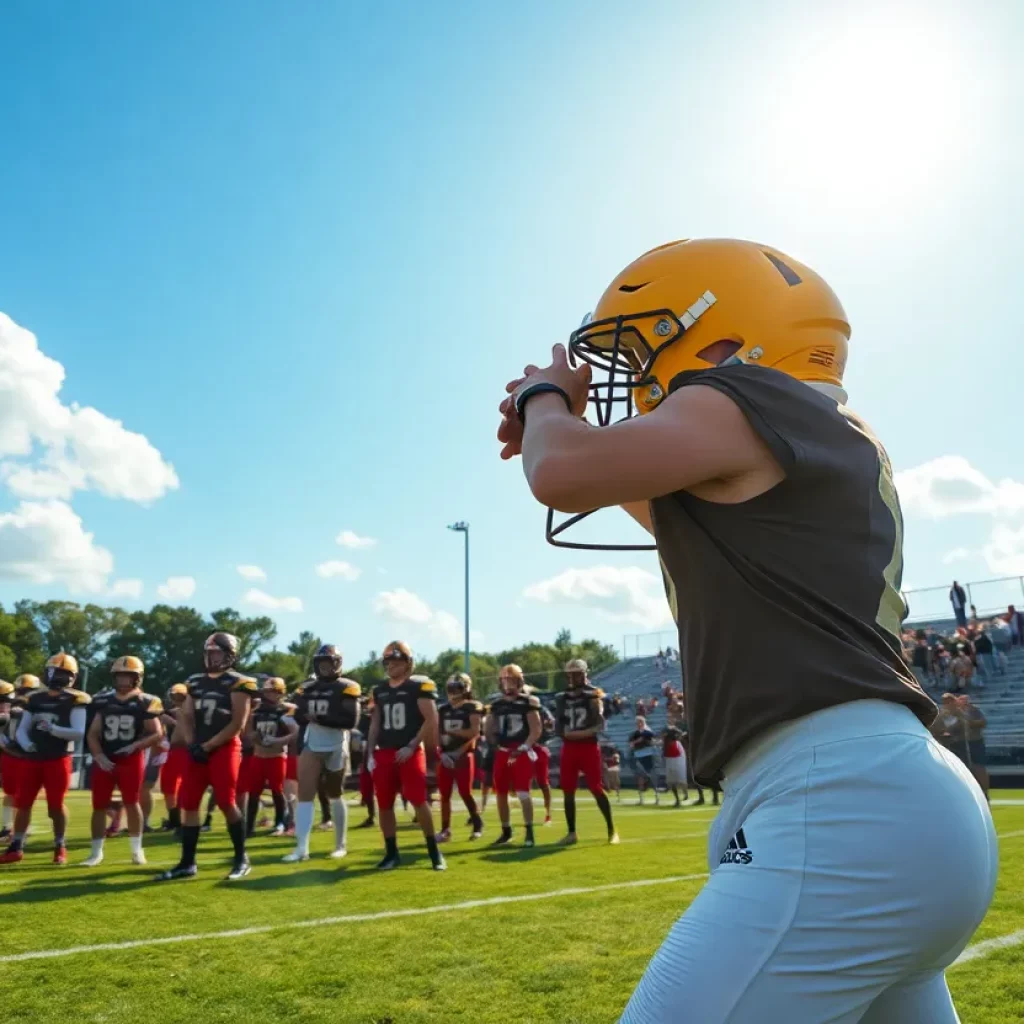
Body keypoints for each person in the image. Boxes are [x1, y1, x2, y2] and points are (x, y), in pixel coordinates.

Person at [497, 237, 995, 1022]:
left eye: (646, 346)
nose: (641, 376)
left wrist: (546, 401)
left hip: (840, 804)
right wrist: (567, 431)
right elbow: (618, 481)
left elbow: (562, 476)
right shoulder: (809, 432)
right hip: (881, 800)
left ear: (723, 337)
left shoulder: (753, 398)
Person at [156, 632, 258, 882]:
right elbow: (187, 716)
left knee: (226, 801)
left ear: (230, 655)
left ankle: (241, 858)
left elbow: (237, 723)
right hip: (198, 749)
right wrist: (192, 743)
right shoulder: (194, 681)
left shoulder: (240, 682)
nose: (212, 657)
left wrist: (209, 745)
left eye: (217, 652)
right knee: (189, 803)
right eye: (209, 652)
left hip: (224, 748)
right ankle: (187, 863)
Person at [1, 654, 90, 865]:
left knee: (55, 806)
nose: (57, 676)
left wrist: (53, 729)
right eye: (54, 672)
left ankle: (60, 844)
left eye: (63, 673)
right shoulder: (35, 698)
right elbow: (23, 728)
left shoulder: (76, 699)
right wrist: (26, 744)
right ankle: (16, 847)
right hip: (33, 758)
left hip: (58, 757)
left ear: (72, 677)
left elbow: (78, 732)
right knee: (23, 803)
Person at [365, 641, 445, 871]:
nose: (390, 666)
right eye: (388, 662)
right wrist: (370, 752)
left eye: (396, 662)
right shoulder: (379, 690)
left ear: (407, 663)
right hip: (385, 752)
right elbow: (376, 723)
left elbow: (431, 718)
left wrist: (412, 745)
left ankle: (433, 851)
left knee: (418, 800)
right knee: (385, 804)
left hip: (409, 752)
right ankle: (391, 853)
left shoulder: (418, 686)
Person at [82, 656, 164, 866]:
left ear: (137, 678)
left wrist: (135, 746)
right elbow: (93, 734)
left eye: (128, 676)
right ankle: (96, 852)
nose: (123, 680)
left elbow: (156, 733)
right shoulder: (103, 700)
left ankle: (137, 850)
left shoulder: (145, 701)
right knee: (99, 804)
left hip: (130, 759)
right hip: (106, 758)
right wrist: (98, 755)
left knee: (131, 802)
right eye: (120, 676)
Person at [284, 645, 358, 862]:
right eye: (321, 663)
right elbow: (297, 714)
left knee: (335, 794)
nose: (325, 667)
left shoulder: (347, 687)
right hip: (313, 744)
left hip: (336, 745)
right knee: (305, 795)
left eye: (329, 662)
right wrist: (303, 715)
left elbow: (350, 721)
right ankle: (301, 848)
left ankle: (340, 844)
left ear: (337, 663)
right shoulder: (306, 688)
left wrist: (319, 718)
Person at [554, 658, 618, 846]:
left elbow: (600, 724)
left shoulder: (593, 695)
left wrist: (579, 733)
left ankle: (611, 829)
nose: (573, 678)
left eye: (577, 674)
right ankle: (571, 832)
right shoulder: (562, 697)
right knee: (568, 790)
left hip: (588, 745)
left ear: (584, 674)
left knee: (595, 787)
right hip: (569, 747)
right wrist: (563, 732)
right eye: (571, 674)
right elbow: (559, 723)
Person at [487, 664, 542, 848]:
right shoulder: (496, 705)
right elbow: (490, 730)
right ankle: (506, 831)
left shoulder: (529, 702)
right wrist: (490, 736)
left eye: (511, 680)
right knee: (501, 793)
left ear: (519, 681)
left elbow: (536, 730)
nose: (507, 684)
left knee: (523, 792)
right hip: (503, 752)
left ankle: (529, 831)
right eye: (504, 680)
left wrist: (525, 747)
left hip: (521, 752)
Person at [247, 677, 298, 838]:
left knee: (278, 791)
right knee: (254, 792)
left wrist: (278, 740)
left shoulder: (286, 709)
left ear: (280, 692)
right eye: (267, 691)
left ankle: (280, 823)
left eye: (273, 691)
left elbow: (295, 733)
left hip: (277, 755)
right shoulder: (257, 710)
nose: (269, 695)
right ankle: (249, 826)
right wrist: (253, 736)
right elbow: (248, 731)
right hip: (258, 755)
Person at [436, 672, 484, 841]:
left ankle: (477, 824)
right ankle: (445, 830)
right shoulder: (443, 709)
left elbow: (474, 732)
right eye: (451, 688)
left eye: (457, 688)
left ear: (466, 689)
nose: (453, 691)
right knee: (445, 794)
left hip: (464, 755)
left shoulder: (472, 707)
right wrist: (441, 753)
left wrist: (456, 750)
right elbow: (437, 733)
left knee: (465, 792)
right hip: (446, 755)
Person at [0, 673, 40, 840]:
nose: (25, 694)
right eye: (22, 691)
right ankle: (7, 827)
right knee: (10, 793)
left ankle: (22, 827)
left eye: (29, 691)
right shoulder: (12, 708)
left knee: (23, 795)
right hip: (11, 755)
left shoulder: (41, 708)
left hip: (27, 756)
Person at [158, 683, 190, 831]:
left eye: (179, 696)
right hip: (173, 751)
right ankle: (174, 819)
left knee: (185, 787)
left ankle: (184, 820)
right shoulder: (170, 712)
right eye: (174, 696)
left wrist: (174, 722)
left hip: (187, 750)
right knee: (168, 785)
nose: (176, 699)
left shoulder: (191, 712)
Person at [960, 695, 989, 801]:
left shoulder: (974, 710)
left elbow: (983, 722)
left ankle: (985, 791)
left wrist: (969, 722)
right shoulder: (956, 712)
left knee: (980, 767)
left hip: (975, 741)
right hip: (962, 742)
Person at [534, 699, 556, 826]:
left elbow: (550, 726)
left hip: (538, 747)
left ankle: (548, 812)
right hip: (524, 747)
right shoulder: (519, 707)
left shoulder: (541, 710)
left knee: (542, 782)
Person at [628, 716, 658, 805]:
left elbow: (651, 739)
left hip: (648, 755)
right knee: (640, 776)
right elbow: (631, 743)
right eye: (637, 722)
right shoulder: (634, 733)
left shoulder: (648, 732)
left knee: (652, 776)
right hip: (638, 755)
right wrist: (634, 743)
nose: (638, 724)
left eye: (640, 722)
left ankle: (657, 797)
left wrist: (636, 742)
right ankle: (641, 799)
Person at [661, 723, 688, 806]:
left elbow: (681, 734)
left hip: (677, 758)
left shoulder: (676, 743)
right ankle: (678, 799)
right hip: (670, 758)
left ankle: (685, 793)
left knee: (680, 778)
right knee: (672, 780)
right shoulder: (666, 742)